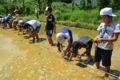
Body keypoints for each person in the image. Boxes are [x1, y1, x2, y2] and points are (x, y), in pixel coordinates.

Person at [93, 7, 120, 78]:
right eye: (102, 18)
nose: (102, 19)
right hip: (98, 46)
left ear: (109, 16)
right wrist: (95, 38)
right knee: (97, 60)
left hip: (107, 48)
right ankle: (97, 69)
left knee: (106, 63)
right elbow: (98, 35)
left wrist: (103, 40)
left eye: (104, 18)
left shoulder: (116, 25)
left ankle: (106, 74)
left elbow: (115, 38)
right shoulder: (102, 24)